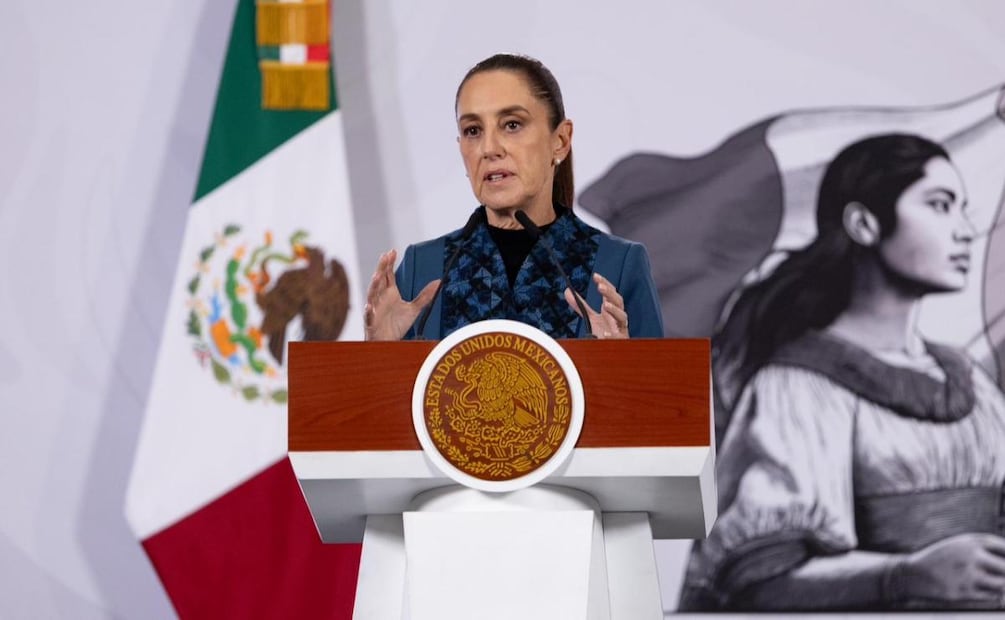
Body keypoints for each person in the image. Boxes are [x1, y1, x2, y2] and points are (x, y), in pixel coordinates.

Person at [679, 134, 1005, 610]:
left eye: (962, 208)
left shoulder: (971, 380)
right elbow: (756, 579)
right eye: (940, 205)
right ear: (864, 224)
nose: (964, 230)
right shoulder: (797, 387)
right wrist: (905, 576)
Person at [363, 53, 663, 341]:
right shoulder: (423, 268)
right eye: (472, 130)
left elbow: (661, 392)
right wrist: (379, 355)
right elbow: (383, 393)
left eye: (512, 125)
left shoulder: (617, 265)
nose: (489, 148)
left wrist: (623, 364)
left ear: (560, 140)